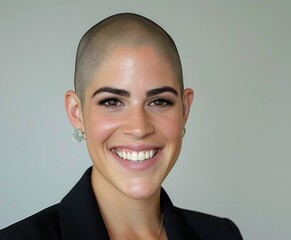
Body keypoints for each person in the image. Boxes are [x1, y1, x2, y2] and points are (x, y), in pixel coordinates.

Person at [0, 13, 242, 240]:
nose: (139, 127)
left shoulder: (221, 234)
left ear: (184, 110)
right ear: (77, 113)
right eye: (112, 101)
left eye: (159, 101)